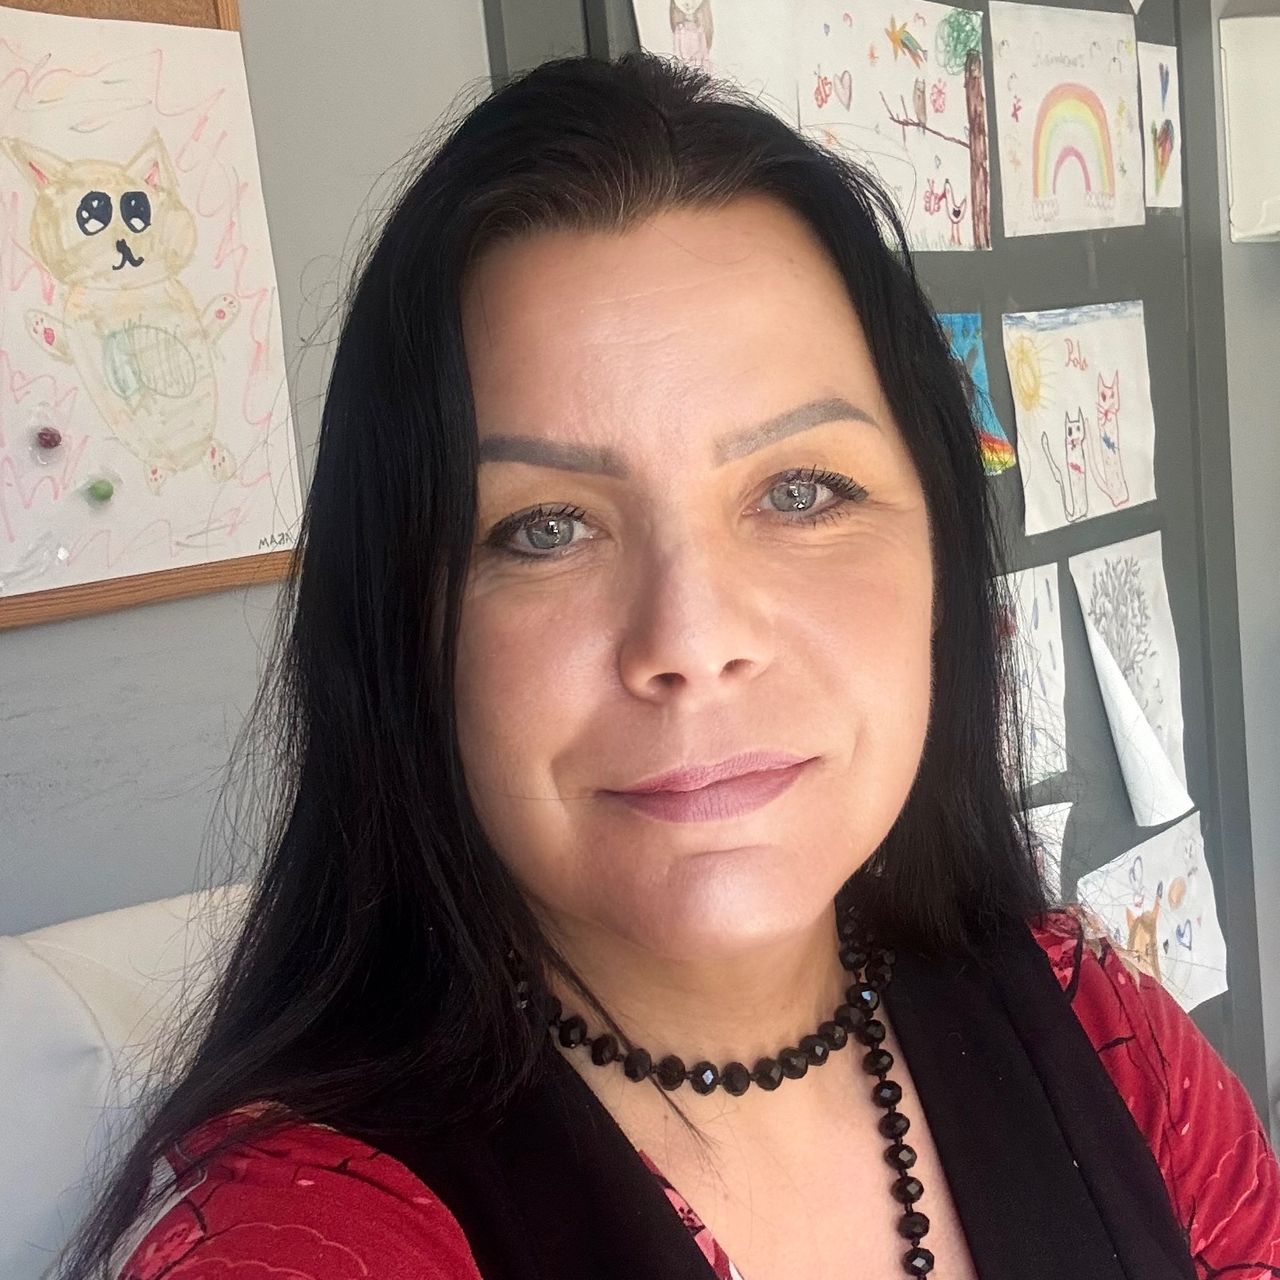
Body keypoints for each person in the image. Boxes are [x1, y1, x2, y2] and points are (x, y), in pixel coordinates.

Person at [56, 51, 1278, 1280]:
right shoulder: (306, 1236)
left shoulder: (1108, 1039)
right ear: (401, 632)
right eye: (544, 526)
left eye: (799, 491)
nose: (689, 640)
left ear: (941, 560)